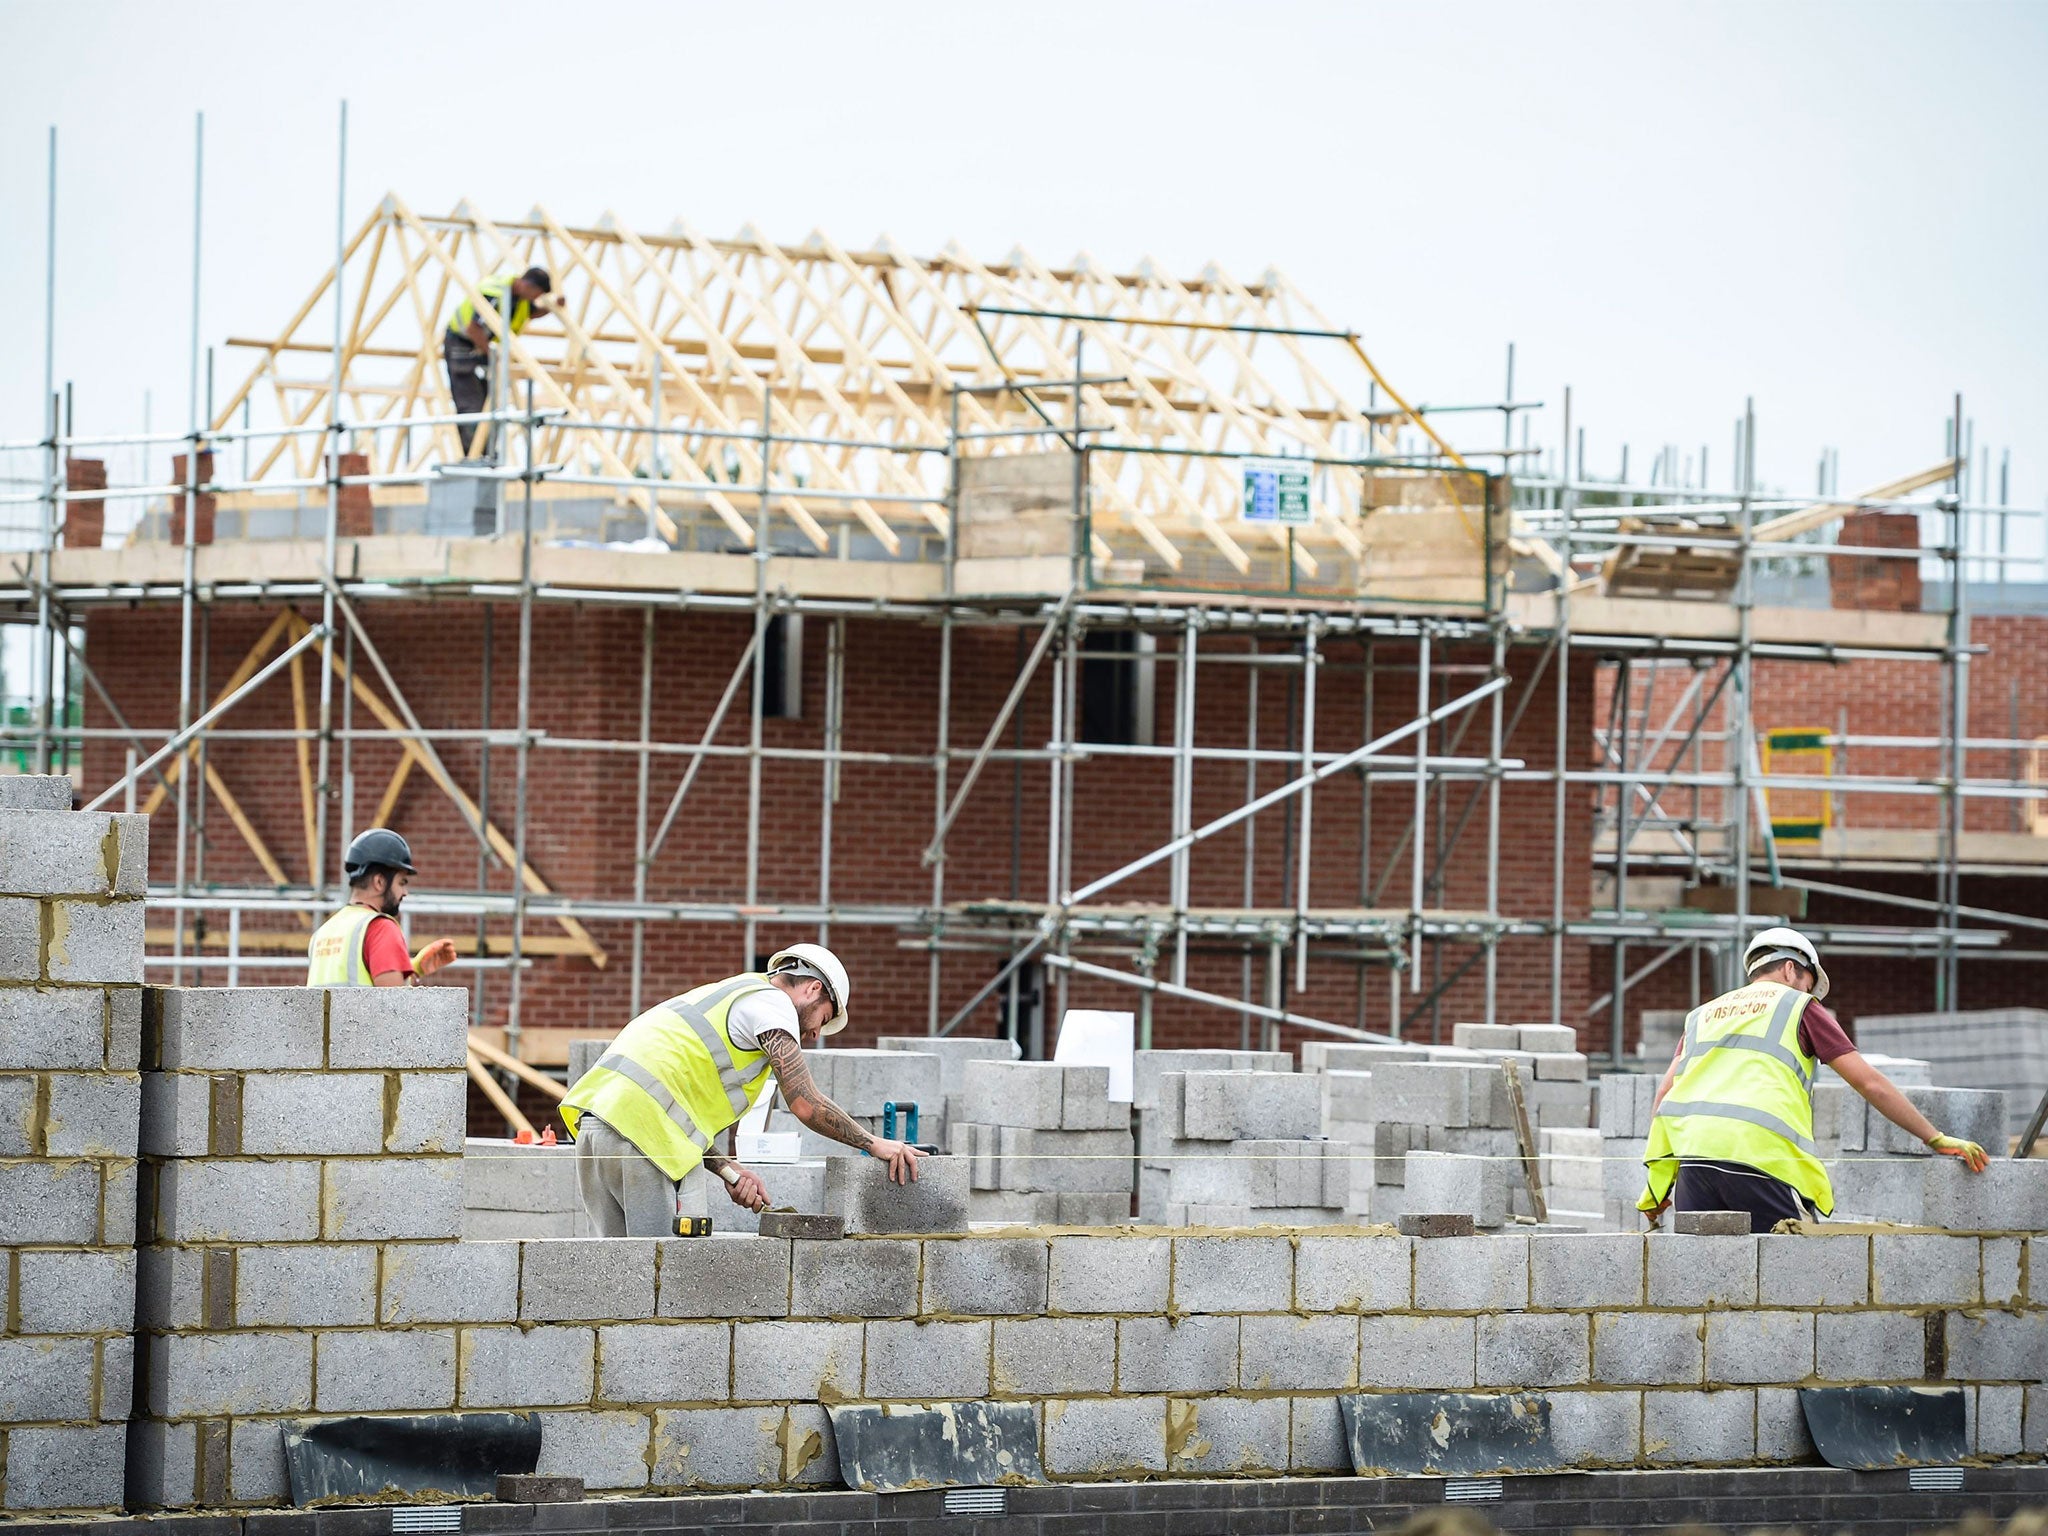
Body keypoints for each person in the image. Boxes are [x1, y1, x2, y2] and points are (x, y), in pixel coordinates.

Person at [1639, 926, 1989, 1232]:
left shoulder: (1703, 1015)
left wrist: (1657, 1187)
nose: (1809, 994)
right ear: (1791, 969)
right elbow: (1870, 1083)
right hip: (1756, 1156)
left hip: (1693, 1161)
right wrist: (1934, 1138)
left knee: (1704, 1282)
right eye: (1808, 984)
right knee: (1785, 1279)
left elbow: (1666, 1094)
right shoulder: (1797, 1006)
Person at [561, 944, 926, 1237]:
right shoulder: (772, 1004)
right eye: (823, 1018)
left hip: (597, 1130)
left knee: (614, 1281)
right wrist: (874, 1143)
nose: (815, 1034)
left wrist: (728, 1170)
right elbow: (804, 1103)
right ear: (813, 989)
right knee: (664, 1282)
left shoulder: (732, 994)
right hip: (644, 1145)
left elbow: (669, 1110)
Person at [306, 828, 459, 987]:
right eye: (401, 882)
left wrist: (415, 969)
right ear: (379, 882)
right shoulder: (381, 928)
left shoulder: (323, 932)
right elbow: (392, 1006)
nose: (404, 892)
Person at [443, 266, 554, 456]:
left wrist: (552, 306)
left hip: (484, 348)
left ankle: (485, 453)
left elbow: (532, 312)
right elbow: (473, 328)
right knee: (470, 402)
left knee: (489, 399)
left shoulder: (520, 299)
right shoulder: (495, 293)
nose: (535, 299)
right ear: (528, 285)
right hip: (462, 343)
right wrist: (492, 354)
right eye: (537, 294)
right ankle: (474, 455)